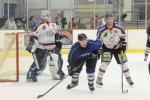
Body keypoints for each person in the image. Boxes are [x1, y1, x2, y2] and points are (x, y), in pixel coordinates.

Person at [26, 10, 70, 82]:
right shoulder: (38, 25)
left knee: (58, 59)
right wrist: (32, 42)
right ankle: (31, 75)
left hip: (52, 45)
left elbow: (57, 35)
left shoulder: (53, 25)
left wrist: (63, 36)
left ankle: (57, 74)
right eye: (46, 16)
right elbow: (31, 34)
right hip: (41, 47)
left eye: (48, 16)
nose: (47, 17)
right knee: (41, 64)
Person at [96, 13, 134, 87]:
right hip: (107, 48)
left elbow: (123, 36)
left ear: (113, 19)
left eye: (111, 19)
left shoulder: (119, 26)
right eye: (108, 19)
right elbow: (98, 40)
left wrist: (123, 43)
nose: (110, 20)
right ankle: (99, 79)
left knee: (123, 64)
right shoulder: (101, 28)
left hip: (118, 48)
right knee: (104, 64)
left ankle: (128, 79)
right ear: (106, 20)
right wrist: (98, 50)